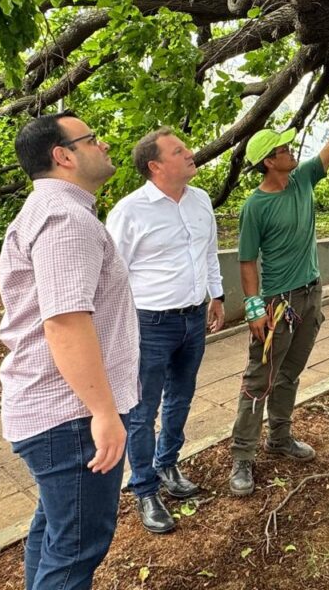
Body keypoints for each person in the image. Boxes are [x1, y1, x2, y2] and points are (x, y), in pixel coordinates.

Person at [0, 111, 139, 590]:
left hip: (58, 412)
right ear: (63, 156)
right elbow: (65, 322)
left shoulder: (57, 211)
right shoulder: (65, 218)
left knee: (56, 530)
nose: (104, 144)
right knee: (78, 546)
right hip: (70, 416)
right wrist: (103, 411)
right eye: (92, 138)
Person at [228, 80, 329, 496]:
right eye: (282, 150)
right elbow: (246, 263)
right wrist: (254, 309)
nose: (290, 151)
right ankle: (242, 457)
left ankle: (279, 439)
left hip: (309, 296)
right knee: (258, 378)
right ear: (268, 162)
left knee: (291, 374)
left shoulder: (302, 180)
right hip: (277, 305)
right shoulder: (255, 206)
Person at [106, 129, 225, 533]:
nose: (190, 153)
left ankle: (168, 464)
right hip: (149, 324)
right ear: (156, 166)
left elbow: (208, 252)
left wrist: (218, 295)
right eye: (179, 151)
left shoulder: (201, 200)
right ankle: (144, 488)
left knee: (181, 397)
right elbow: (112, 275)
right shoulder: (130, 211)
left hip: (194, 319)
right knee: (141, 411)